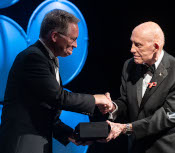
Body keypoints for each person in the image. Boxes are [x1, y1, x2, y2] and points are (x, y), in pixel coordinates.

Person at [0, 9, 112, 153]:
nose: (76, 45)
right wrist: (96, 99)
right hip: (24, 144)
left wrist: (70, 134)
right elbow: (58, 97)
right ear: (54, 36)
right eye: (73, 39)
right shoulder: (33, 58)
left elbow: (43, 110)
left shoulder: (47, 59)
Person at [101, 21, 175, 153]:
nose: (132, 49)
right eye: (132, 43)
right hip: (138, 146)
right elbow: (127, 102)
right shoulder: (128, 66)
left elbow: (167, 116)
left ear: (156, 47)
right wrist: (113, 107)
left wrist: (126, 128)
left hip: (169, 147)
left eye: (138, 45)